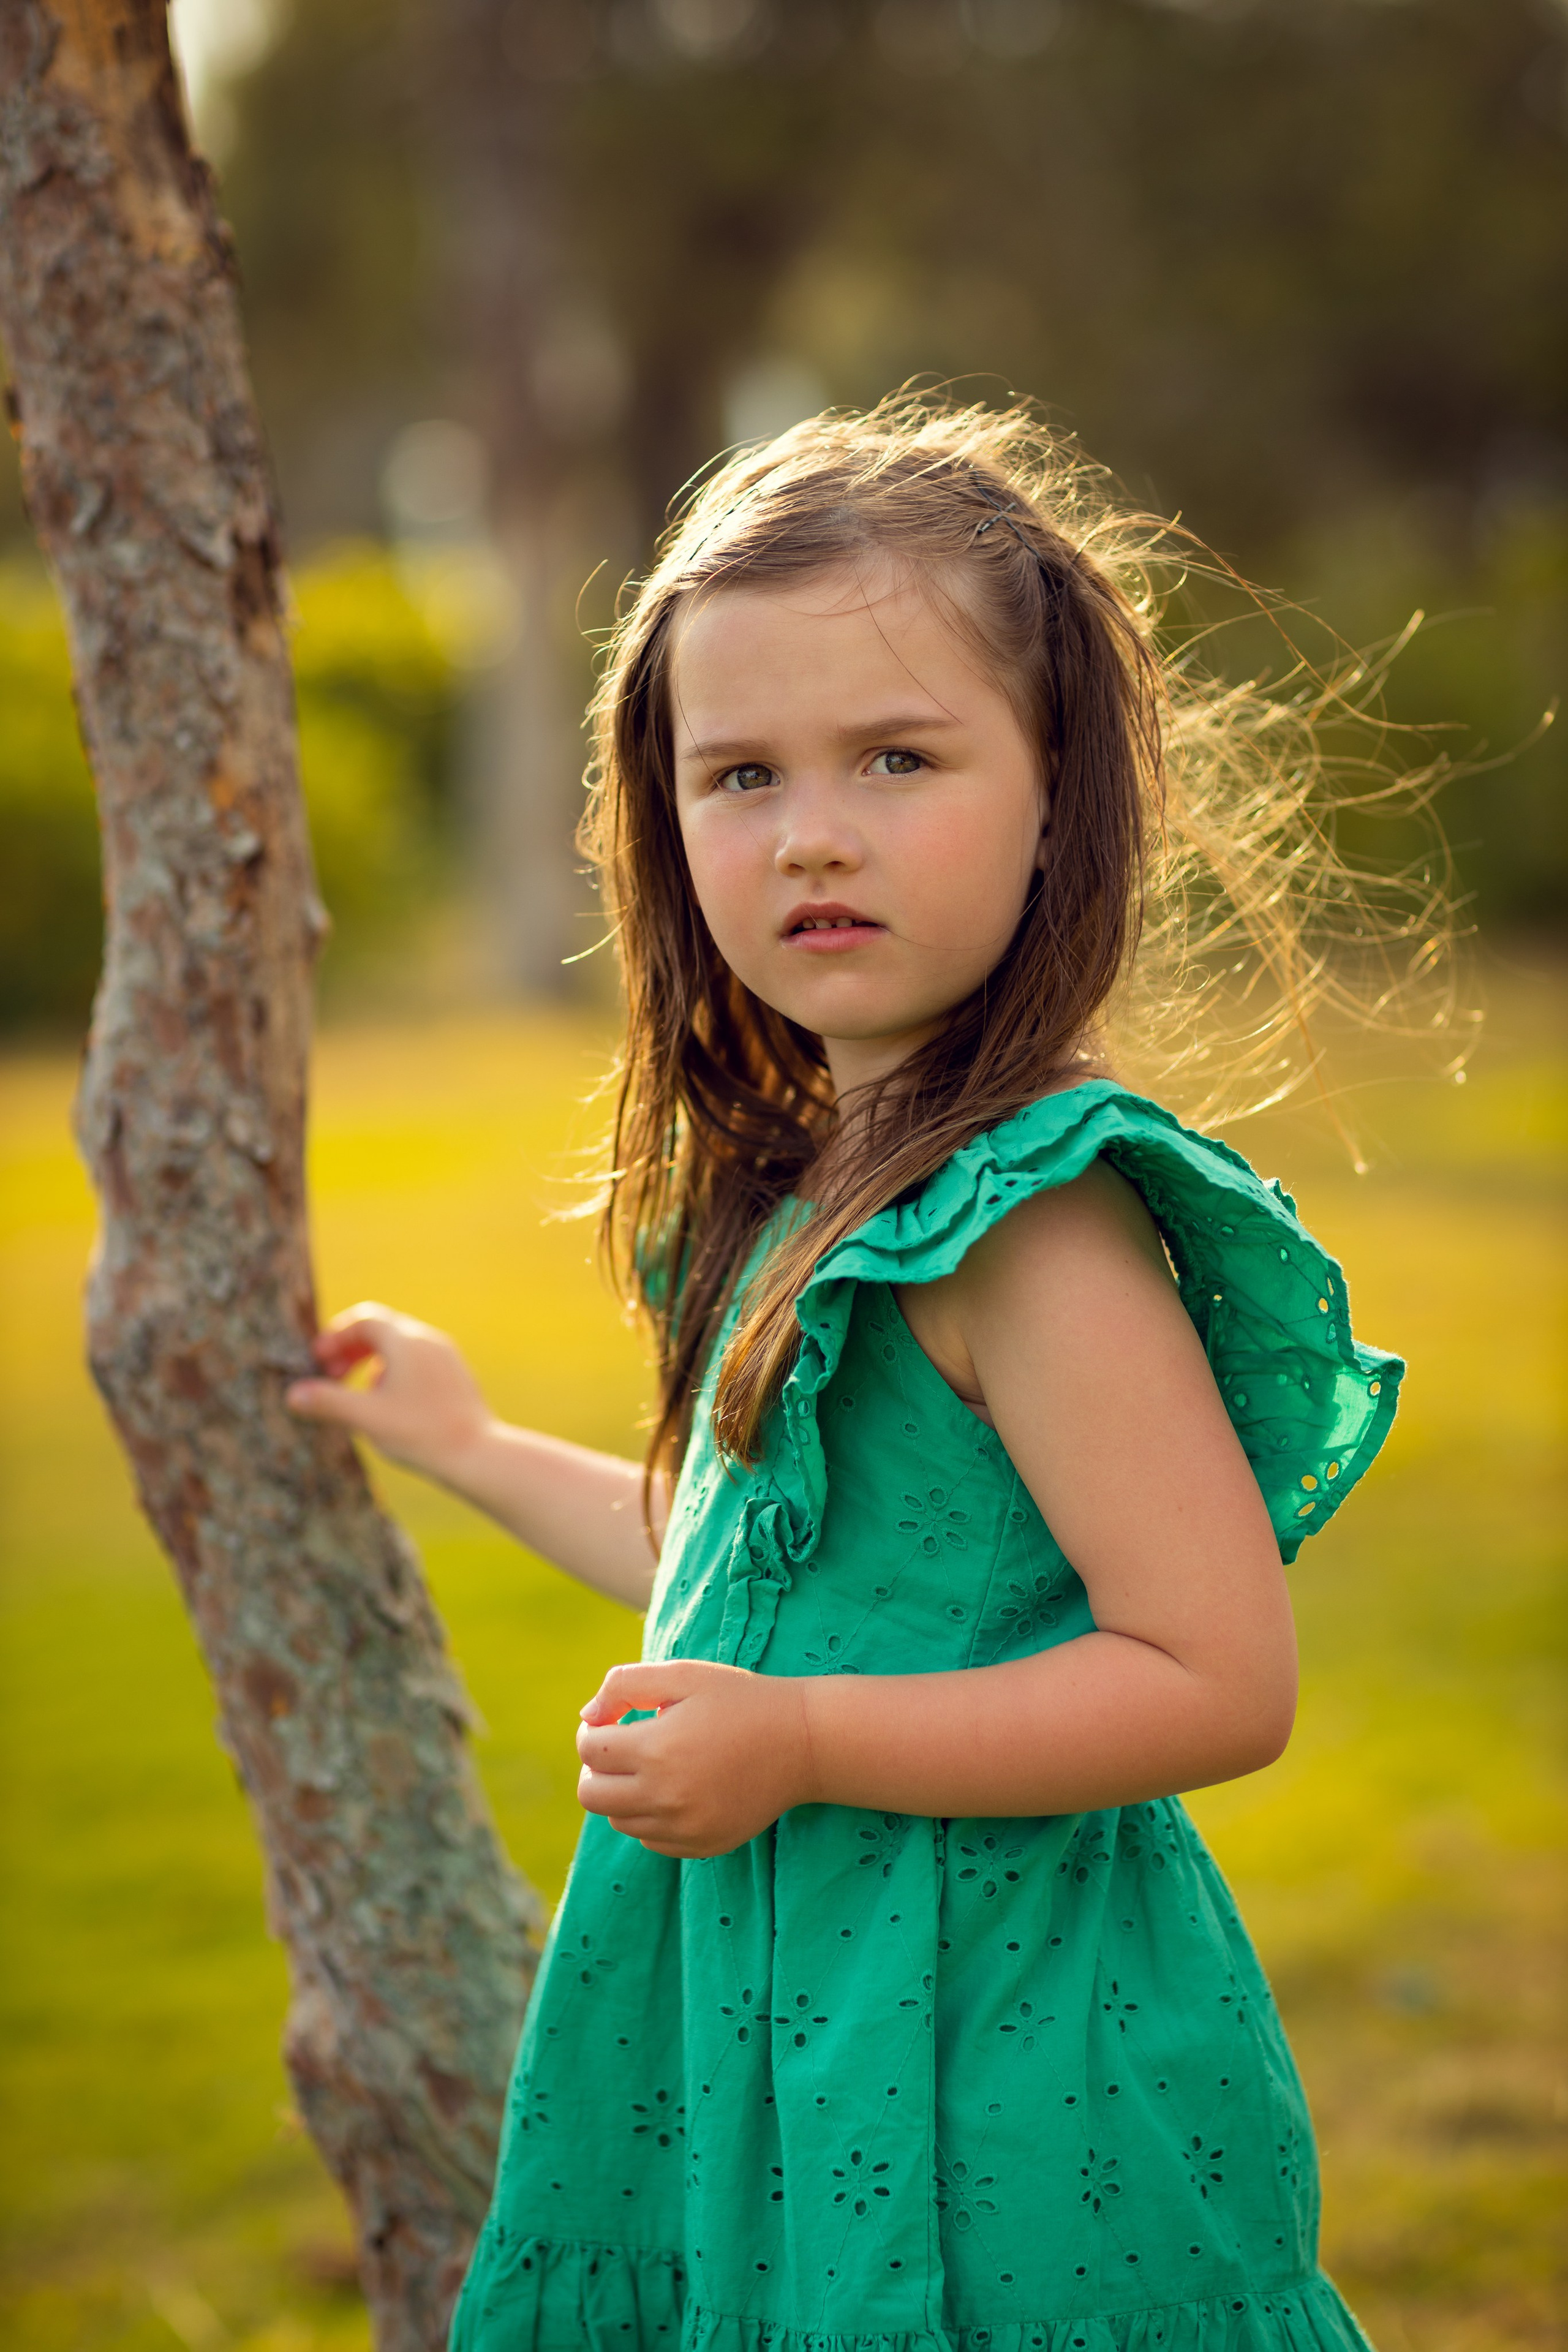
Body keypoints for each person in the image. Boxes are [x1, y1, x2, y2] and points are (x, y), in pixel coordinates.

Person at [288, 399, 1409, 2349]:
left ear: (1060, 793)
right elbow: (782, 1575)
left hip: (998, 2055)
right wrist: (465, 1447)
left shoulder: (1031, 1230)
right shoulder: (825, 1186)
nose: (812, 829)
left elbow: (1218, 1678)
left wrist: (800, 1748)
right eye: (740, 774)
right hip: (796, 2017)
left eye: (898, 757)